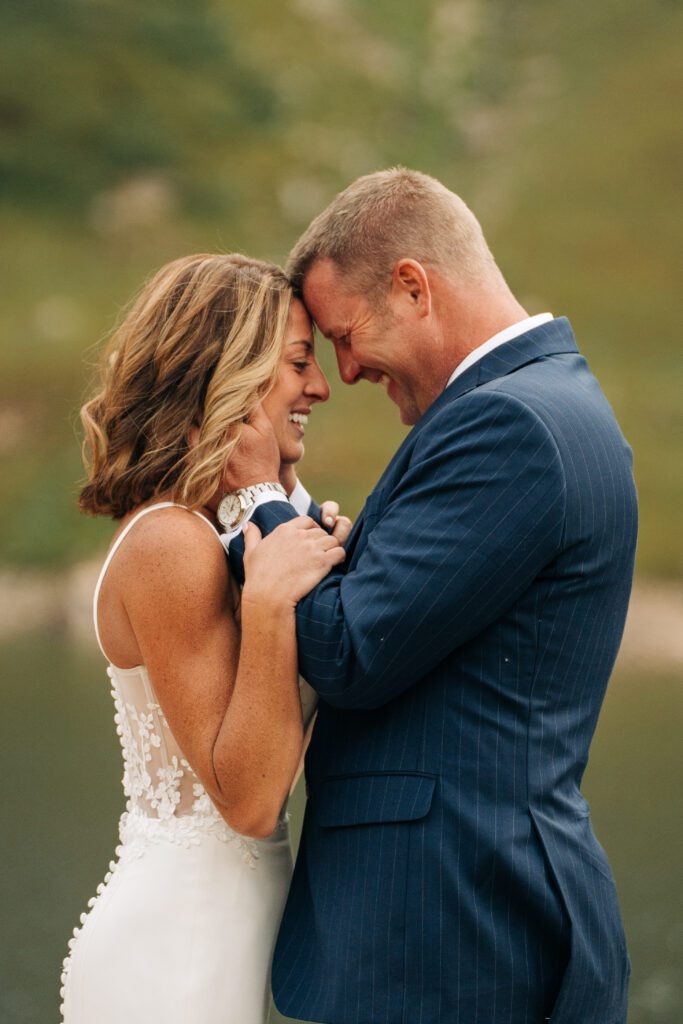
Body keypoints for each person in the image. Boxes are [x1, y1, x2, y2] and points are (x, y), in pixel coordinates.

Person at [223, 169, 638, 1024]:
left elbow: (350, 654)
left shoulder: (509, 424)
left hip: (452, 930)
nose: (340, 373)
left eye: (345, 334)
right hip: (470, 913)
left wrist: (258, 495)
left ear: (413, 286)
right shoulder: (545, 403)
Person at [60, 253, 350, 1024]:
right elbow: (252, 802)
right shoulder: (169, 544)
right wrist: (268, 604)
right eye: (297, 362)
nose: (319, 386)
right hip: (177, 955)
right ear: (232, 377)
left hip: (235, 943)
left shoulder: (229, 535)